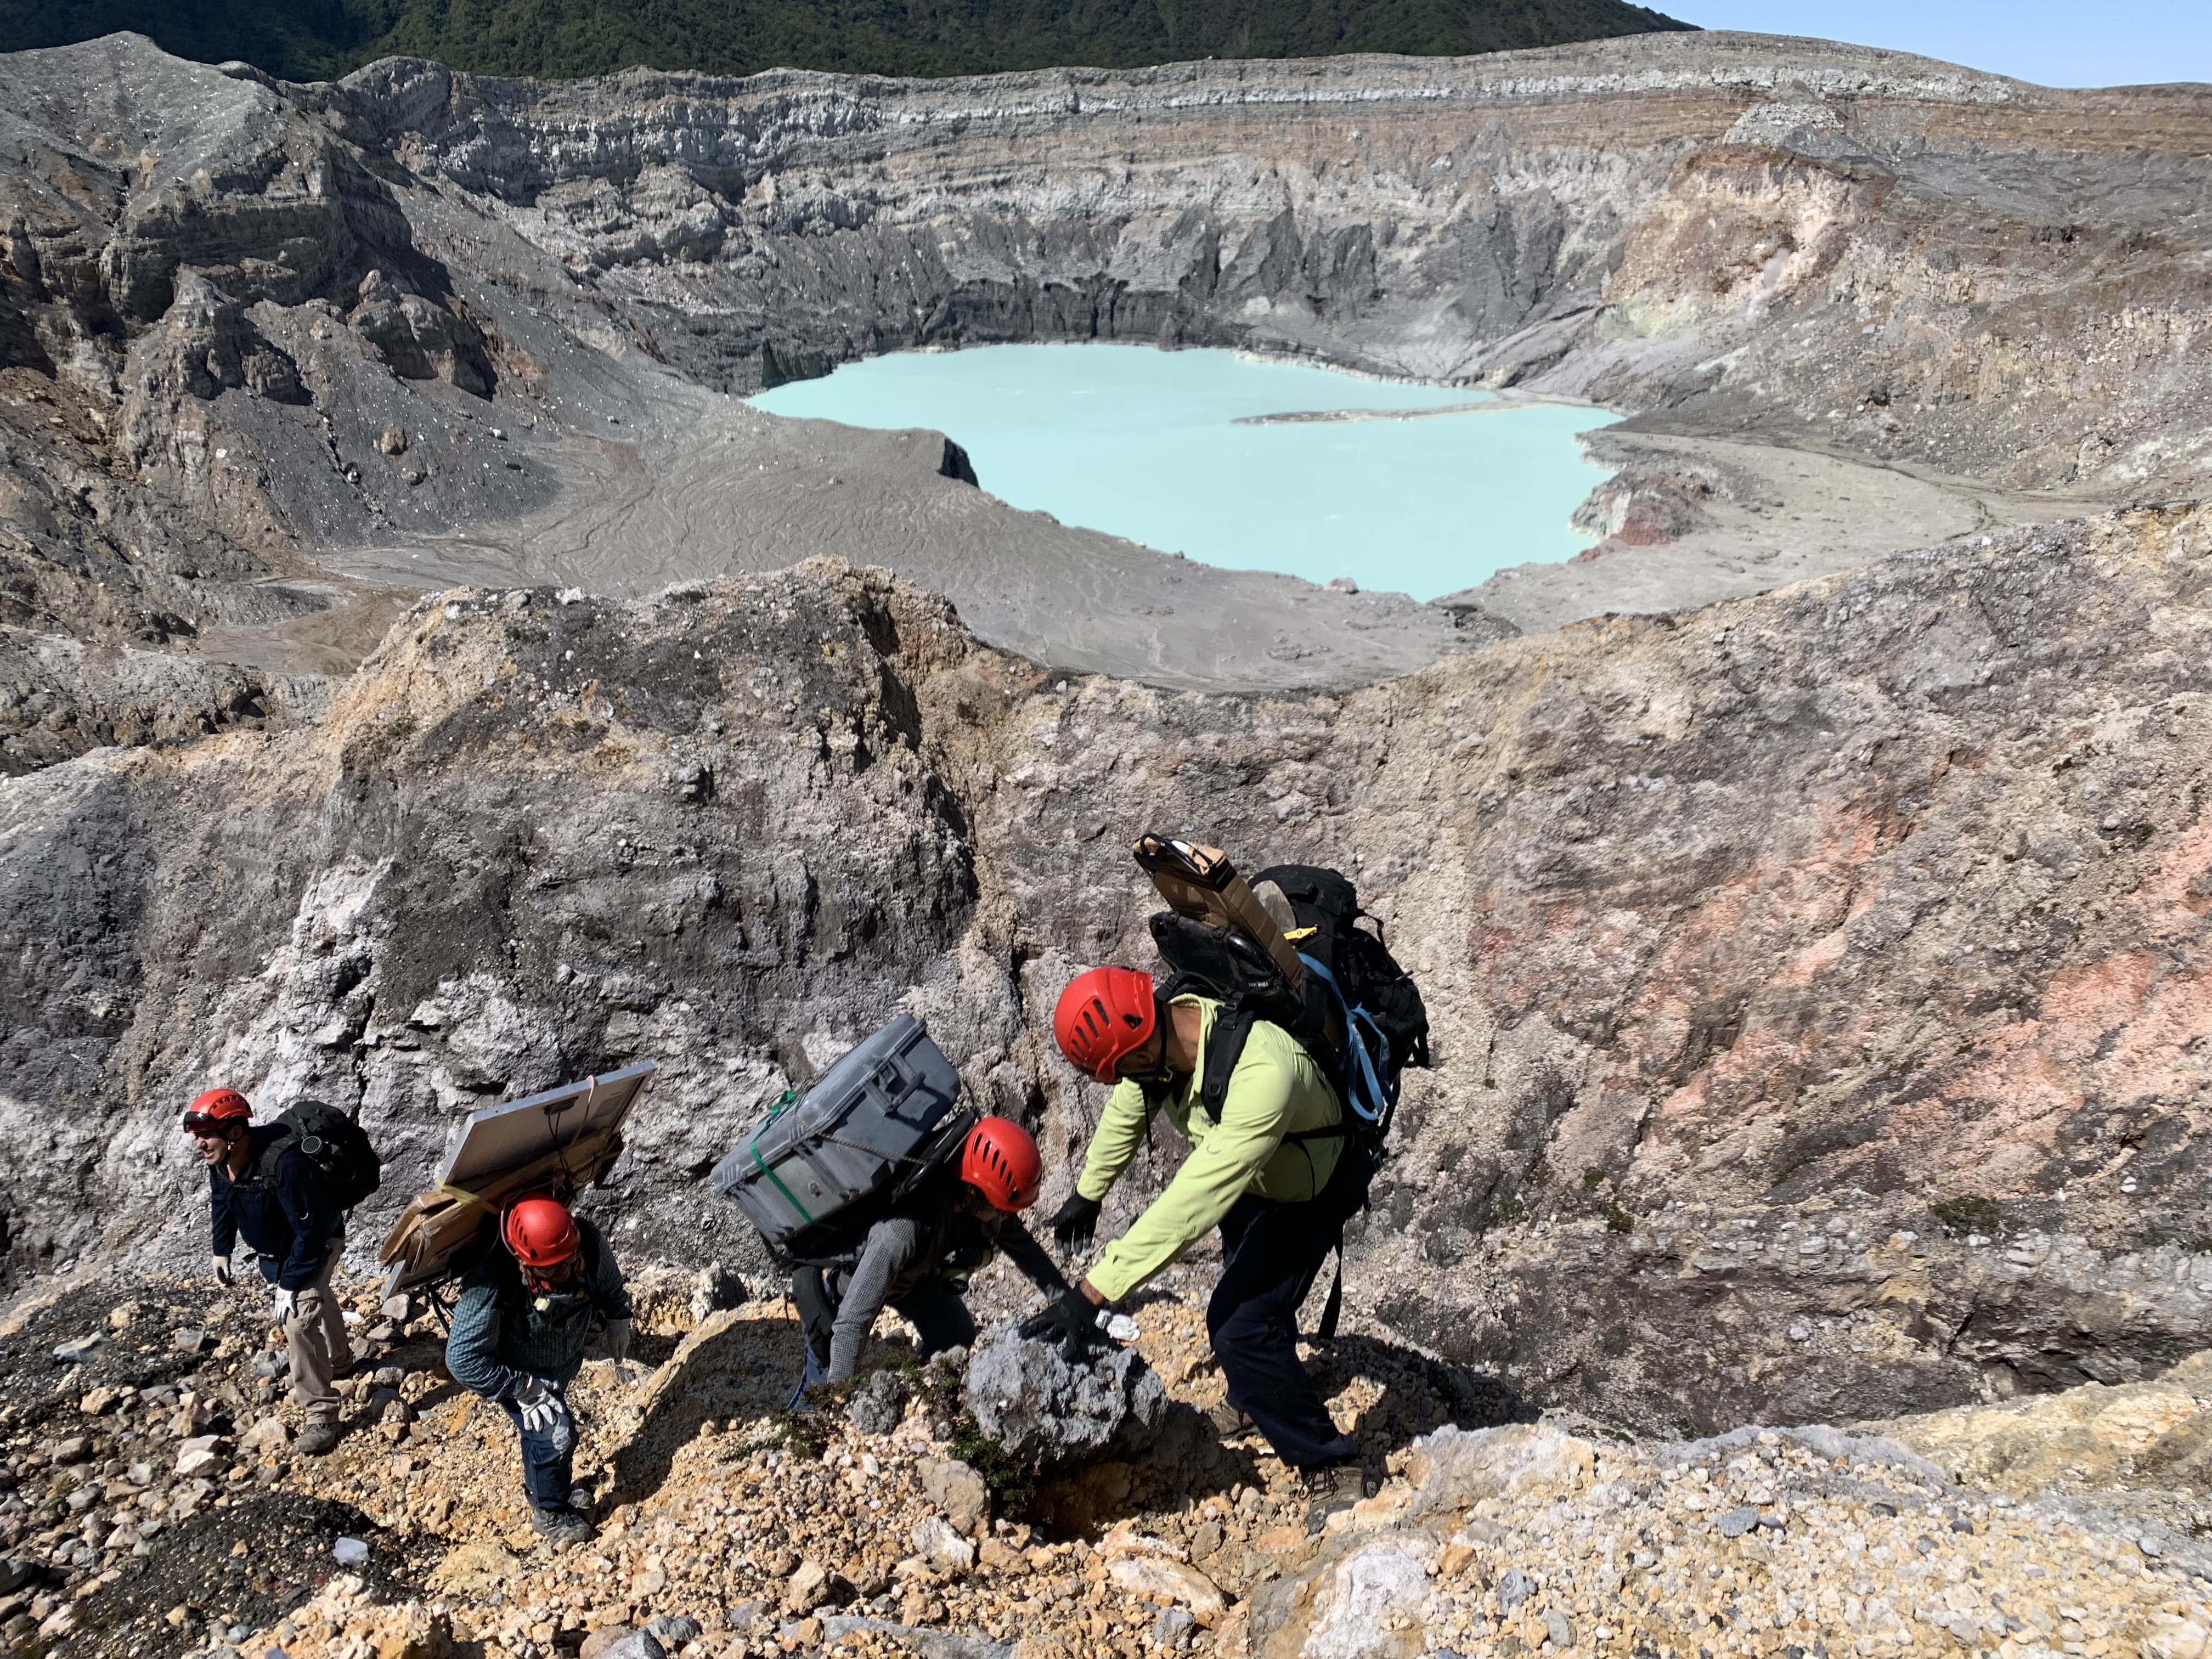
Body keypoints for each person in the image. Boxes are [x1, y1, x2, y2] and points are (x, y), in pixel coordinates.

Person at [1028, 966, 1372, 1525]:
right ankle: (1254, 1397)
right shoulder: (1168, 1032)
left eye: (1118, 1071)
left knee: (1239, 1327)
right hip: (1259, 1174)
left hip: (1309, 1191)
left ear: (1138, 1048)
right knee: (1252, 1301)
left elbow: (1197, 1197)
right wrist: (1088, 1193)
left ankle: (1332, 1465)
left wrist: (1094, 1292)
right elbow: (1130, 1109)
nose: (1119, 1083)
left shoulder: (1264, 1070)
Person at [792, 1116, 1067, 1401]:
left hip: (910, 1275)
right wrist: (837, 1403)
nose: (1007, 1217)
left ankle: (919, 1398)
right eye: (1003, 1210)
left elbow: (1027, 1251)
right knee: (820, 1391)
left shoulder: (982, 1206)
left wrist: (1070, 1305)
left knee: (955, 1335)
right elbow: (851, 1324)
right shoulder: (903, 1230)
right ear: (973, 1192)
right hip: (839, 1289)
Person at [445, 1196, 633, 1544]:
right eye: (555, 1270)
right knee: (556, 1438)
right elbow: (462, 1359)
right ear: (524, 1264)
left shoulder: (586, 1245)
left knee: (540, 1434)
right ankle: (550, 1512)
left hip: (561, 1363)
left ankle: (545, 1490)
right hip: (521, 1374)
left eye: (573, 1264)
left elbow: (608, 1283)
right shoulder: (492, 1281)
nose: (569, 1275)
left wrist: (619, 1315)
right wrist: (522, 1388)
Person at [187, 1087, 352, 1457]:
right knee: (314, 1301)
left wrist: (290, 1284)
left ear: (233, 1132)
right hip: (278, 1255)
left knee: (296, 1320)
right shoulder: (222, 1164)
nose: (199, 1145)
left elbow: (309, 1233)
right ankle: (342, 1360)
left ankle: (322, 1416)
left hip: (318, 1245)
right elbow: (222, 1202)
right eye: (197, 1137)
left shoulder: (285, 1162)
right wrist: (221, 1250)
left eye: (206, 1136)